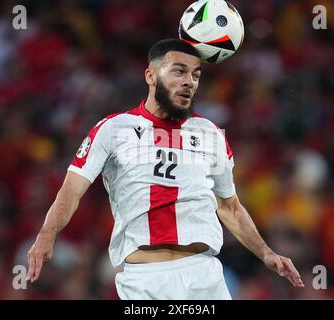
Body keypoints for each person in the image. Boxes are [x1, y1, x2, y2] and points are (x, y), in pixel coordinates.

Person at [26, 38, 305, 299]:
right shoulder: (112, 129)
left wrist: (265, 252)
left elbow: (229, 206)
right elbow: (72, 191)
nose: (189, 83)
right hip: (145, 280)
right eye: (179, 72)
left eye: (195, 75)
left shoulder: (210, 133)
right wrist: (46, 236)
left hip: (203, 275)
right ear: (151, 76)